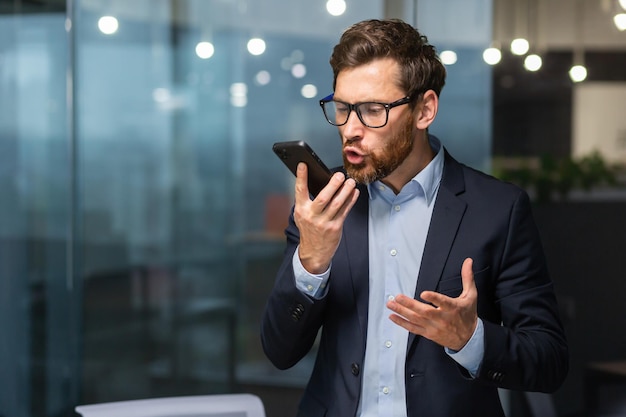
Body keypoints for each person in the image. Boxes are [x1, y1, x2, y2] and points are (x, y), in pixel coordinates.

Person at [261, 18, 568, 417]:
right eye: (341, 108)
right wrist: (311, 263)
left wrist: (470, 339)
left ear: (424, 110)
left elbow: (549, 361)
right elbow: (279, 351)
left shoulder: (498, 209)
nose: (351, 129)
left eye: (373, 110)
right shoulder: (323, 209)